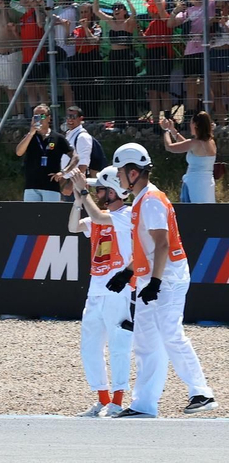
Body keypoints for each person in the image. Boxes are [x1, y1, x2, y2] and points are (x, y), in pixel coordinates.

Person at [104, 144, 217, 417]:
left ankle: (201, 392)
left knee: (170, 333)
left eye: (120, 172)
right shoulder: (142, 200)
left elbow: (162, 244)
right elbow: (149, 248)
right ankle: (144, 404)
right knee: (145, 341)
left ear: (133, 172)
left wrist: (154, 282)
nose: (118, 177)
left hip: (166, 277)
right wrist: (128, 272)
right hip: (151, 277)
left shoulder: (152, 200)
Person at [67, 165, 134, 417]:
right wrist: (77, 200)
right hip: (95, 290)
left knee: (118, 345)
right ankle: (102, 399)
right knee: (90, 347)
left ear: (115, 192)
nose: (97, 193)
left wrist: (83, 192)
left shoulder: (126, 215)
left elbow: (96, 217)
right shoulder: (98, 215)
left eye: (102, 189)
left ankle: (117, 401)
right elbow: (74, 227)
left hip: (117, 291)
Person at [15, 104, 74, 202]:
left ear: (48, 118)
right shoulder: (30, 137)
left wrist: (63, 172)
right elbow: (19, 152)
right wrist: (31, 132)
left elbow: (75, 157)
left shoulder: (58, 138)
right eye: (36, 116)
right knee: (30, 216)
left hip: (51, 187)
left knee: (50, 216)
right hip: (31, 186)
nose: (39, 119)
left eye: (42, 116)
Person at [161, 111, 217, 203]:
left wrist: (166, 130)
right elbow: (185, 144)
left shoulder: (194, 143)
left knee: (191, 213)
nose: (189, 125)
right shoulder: (211, 142)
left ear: (195, 125)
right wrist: (172, 129)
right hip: (207, 185)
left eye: (191, 123)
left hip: (194, 185)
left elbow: (169, 147)